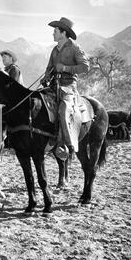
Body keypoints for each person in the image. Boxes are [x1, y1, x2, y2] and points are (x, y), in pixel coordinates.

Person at [41, 17, 89, 156]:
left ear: (63, 33)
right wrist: (46, 77)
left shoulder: (75, 48)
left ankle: (67, 145)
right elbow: (49, 68)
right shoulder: (54, 50)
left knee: (63, 109)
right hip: (53, 85)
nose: (53, 33)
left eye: (55, 31)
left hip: (69, 86)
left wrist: (65, 68)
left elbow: (85, 67)